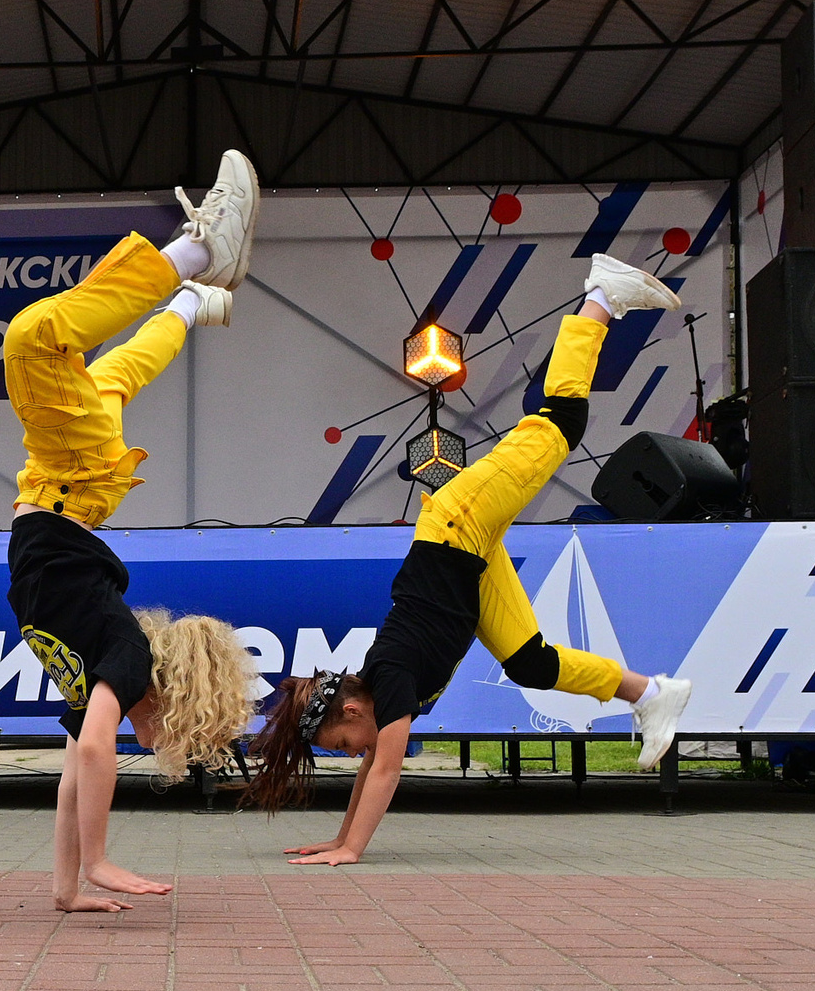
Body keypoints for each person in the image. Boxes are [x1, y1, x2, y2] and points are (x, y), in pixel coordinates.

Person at [241, 256, 698, 862]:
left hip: (458, 524)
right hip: (468, 560)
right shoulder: (380, 688)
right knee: (532, 664)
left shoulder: (393, 682)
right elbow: (373, 767)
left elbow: (383, 773)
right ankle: (650, 693)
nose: (356, 752)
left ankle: (602, 298)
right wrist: (338, 838)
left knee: (562, 420)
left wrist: (353, 851)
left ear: (353, 710)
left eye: (345, 743)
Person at [7, 151, 262, 913]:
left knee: (110, 379)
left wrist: (65, 891)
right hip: (65, 485)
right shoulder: (127, 656)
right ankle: (196, 256)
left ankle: (190, 299)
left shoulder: (108, 668)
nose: (171, 750)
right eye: (184, 737)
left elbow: (72, 778)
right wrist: (102, 862)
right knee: (32, 340)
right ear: (175, 699)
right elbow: (94, 750)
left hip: (70, 493)